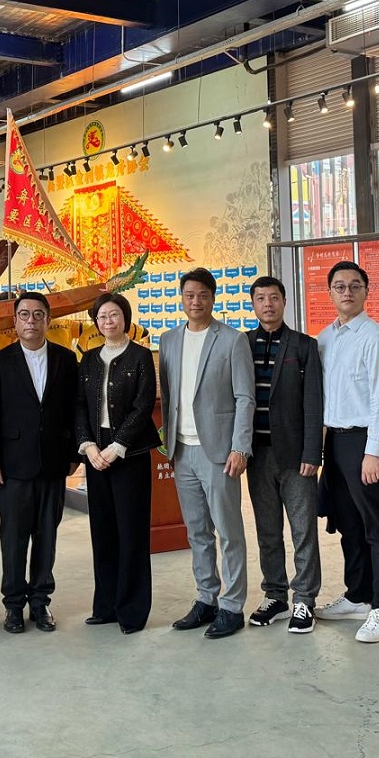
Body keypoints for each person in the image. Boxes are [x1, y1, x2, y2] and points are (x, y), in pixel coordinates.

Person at [160, 267, 255, 639]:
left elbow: (245, 398)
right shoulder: (169, 340)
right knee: (197, 532)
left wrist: (240, 447)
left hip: (219, 452)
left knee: (228, 532)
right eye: (189, 295)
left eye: (202, 295)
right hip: (182, 451)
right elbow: (169, 395)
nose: (195, 301)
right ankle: (206, 598)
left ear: (213, 298)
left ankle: (232, 606)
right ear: (182, 299)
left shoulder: (232, 340)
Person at [0, 291, 80, 635]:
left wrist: (74, 455)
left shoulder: (66, 360)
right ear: (15, 321)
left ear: (48, 320)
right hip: (13, 467)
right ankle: (13, 605)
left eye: (38, 315)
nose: (31, 321)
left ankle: (40, 602)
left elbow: (74, 411)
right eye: (24, 315)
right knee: (14, 539)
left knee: (47, 537)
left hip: (54, 464)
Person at [316, 261, 379, 643]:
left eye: (354, 285)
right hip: (334, 442)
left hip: (365, 442)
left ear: (366, 292)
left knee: (377, 527)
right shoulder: (326, 338)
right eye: (339, 286)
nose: (347, 292)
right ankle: (358, 596)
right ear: (330, 293)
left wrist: (374, 452)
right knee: (348, 523)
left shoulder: (375, 338)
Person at [242, 275, 323, 635]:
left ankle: (304, 599)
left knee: (303, 530)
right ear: (253, 304)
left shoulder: (304, 345)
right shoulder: (242, 344)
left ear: (284, 301)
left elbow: (313, 402)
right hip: (257, 454)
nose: (268, 304)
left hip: (295, 455)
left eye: (274, 297)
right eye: (261, 298)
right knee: (267, 530)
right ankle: (275, 594)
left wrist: (312, 452)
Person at [75, 292, 158, 634]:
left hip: (130, 453)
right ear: (96, 322)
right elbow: (79, 406)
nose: (108, 321)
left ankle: (132, 611)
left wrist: (118, 446)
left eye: (114, 315)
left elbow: (143, 405)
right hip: (96, 454)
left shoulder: (140, 356)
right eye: (102, 317)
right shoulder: (88, 359)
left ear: (125, 318)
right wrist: (88, 446)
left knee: (131, 532)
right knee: (103, 531)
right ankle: (106, 606)